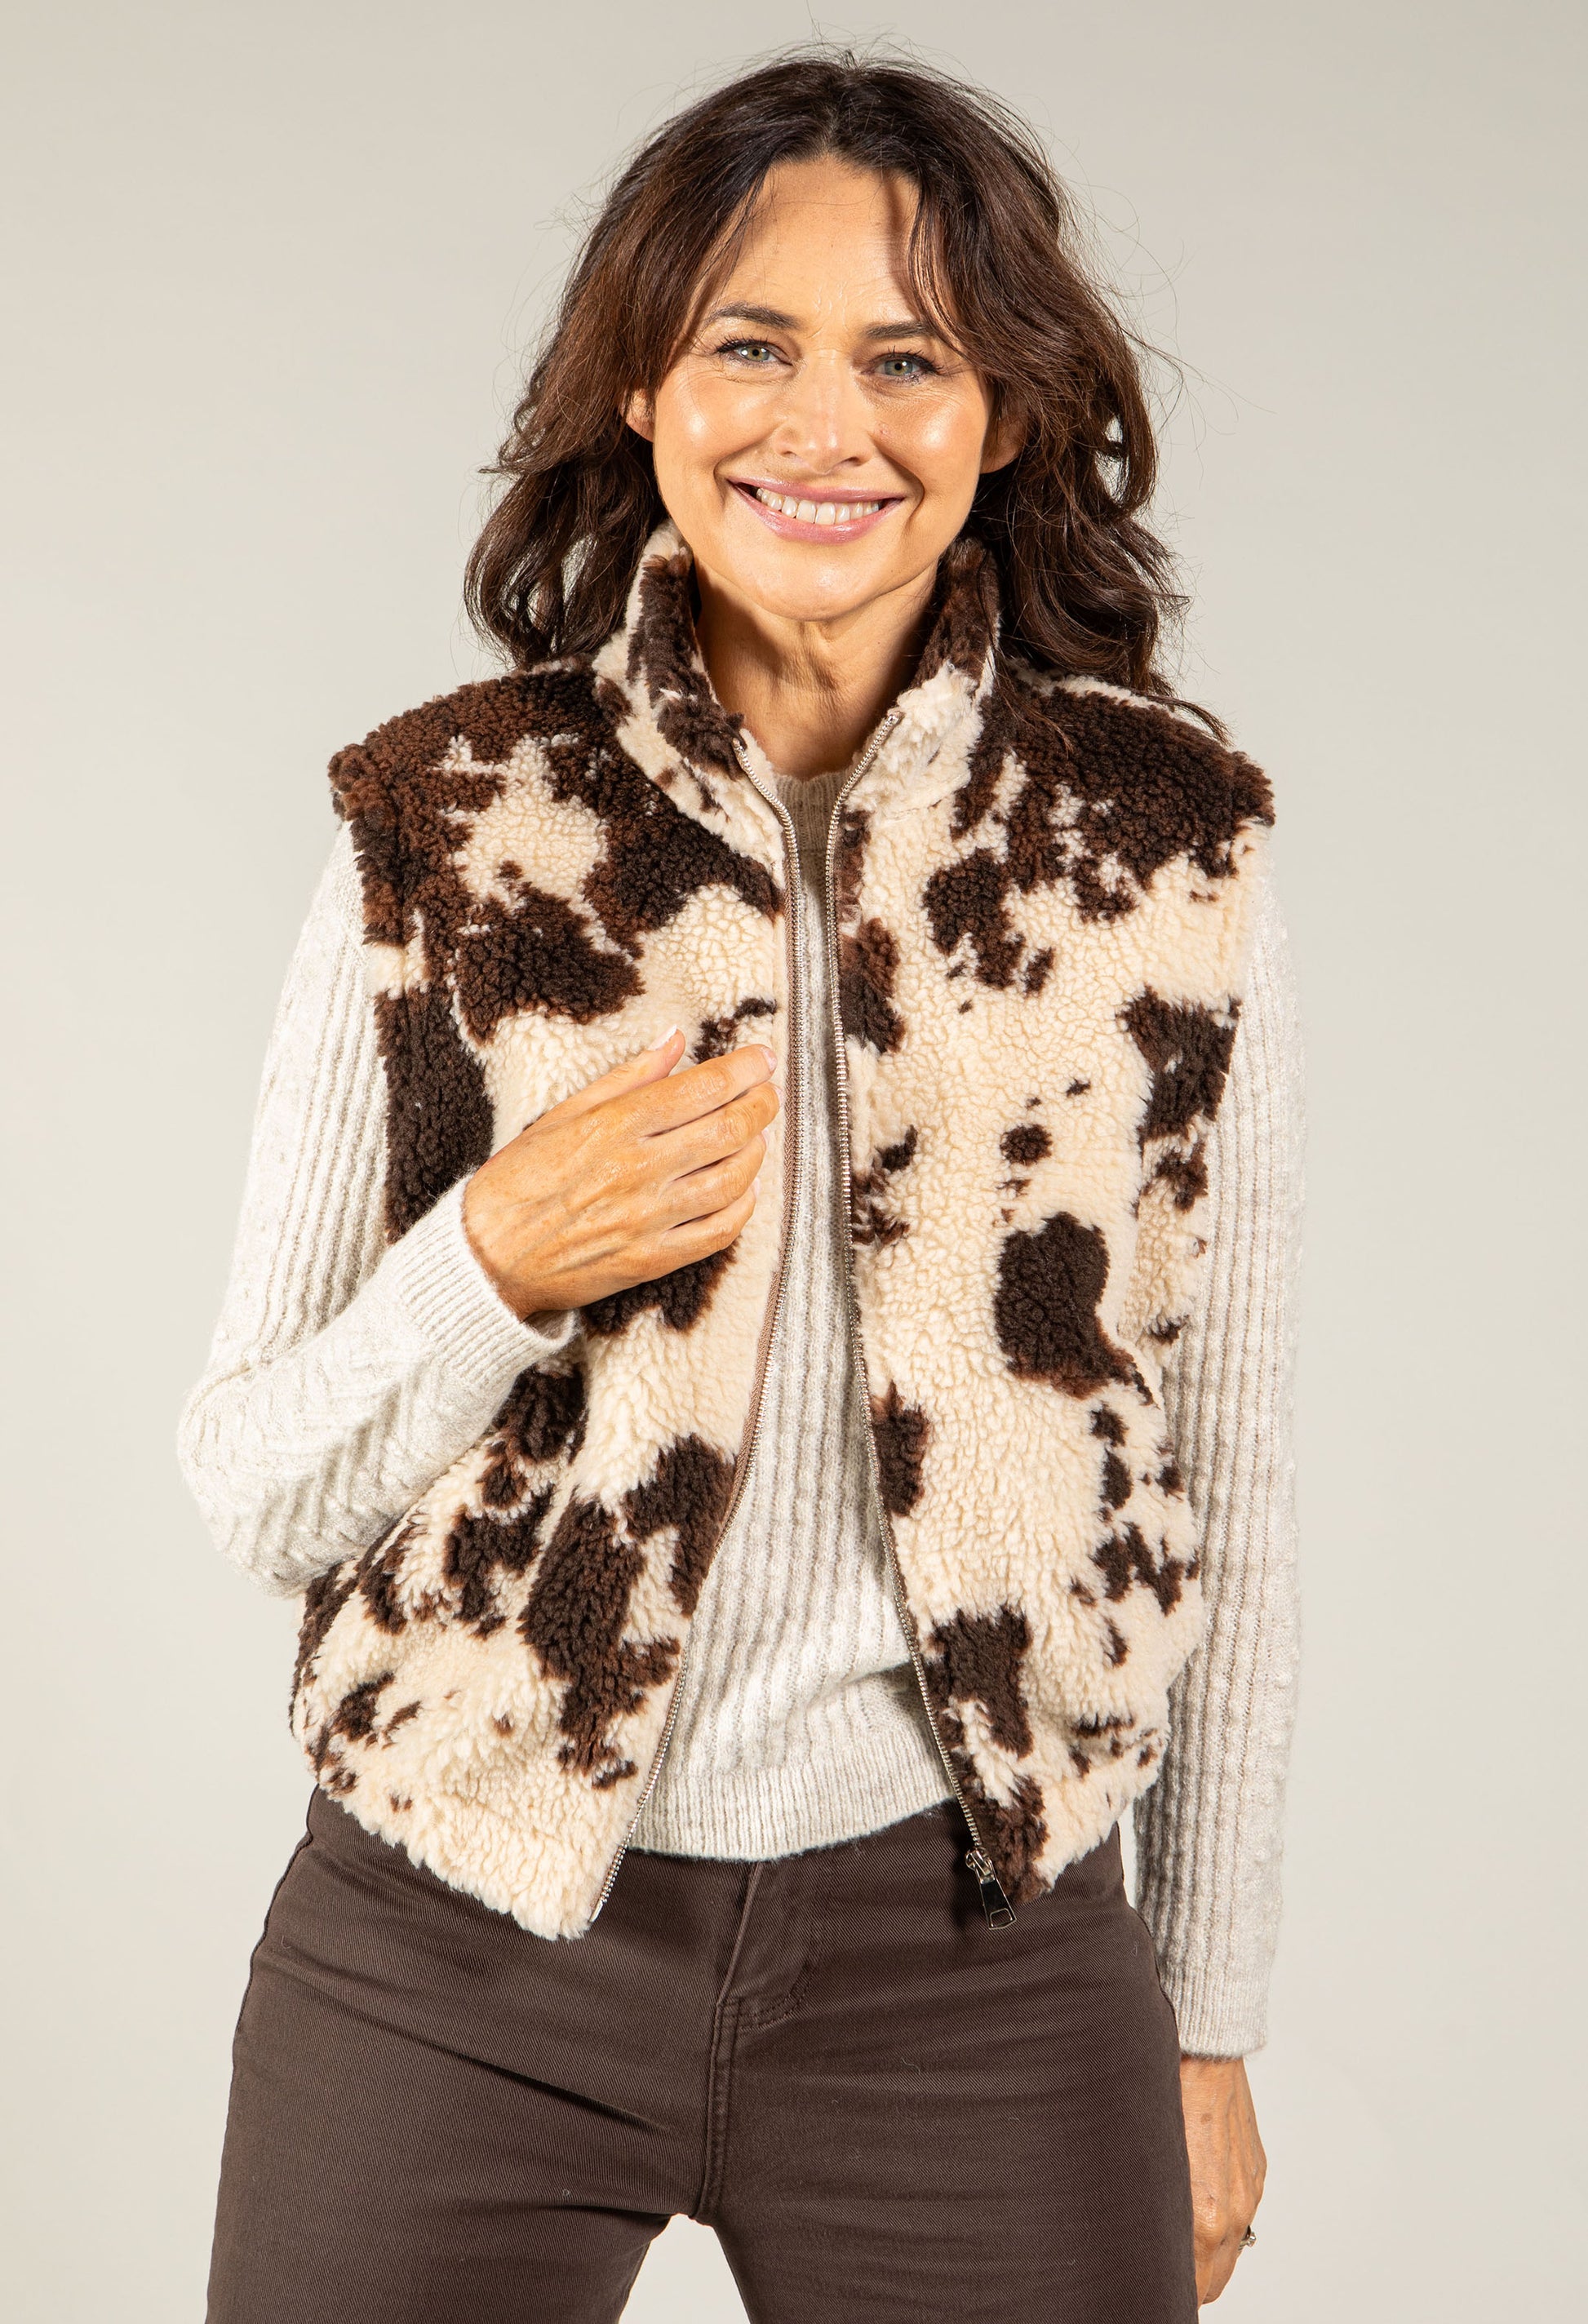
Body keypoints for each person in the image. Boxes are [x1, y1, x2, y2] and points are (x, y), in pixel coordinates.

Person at [180, 47, 1303, 2324]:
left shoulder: (1158, 852)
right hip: (455, 1937)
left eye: (907, 360)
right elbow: (254, 1482)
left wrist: (1203, 2019)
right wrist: (491, 1263)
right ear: (641, 391)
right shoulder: (448, 825)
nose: (825, 428)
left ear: (1003, 415)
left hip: (977, 1960)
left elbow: (1228, 1472)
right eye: (749, 347)